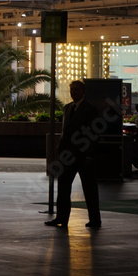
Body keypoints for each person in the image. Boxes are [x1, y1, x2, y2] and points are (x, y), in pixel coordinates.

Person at [45, 80, 102, 229]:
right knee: (63, 187)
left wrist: (90, 155)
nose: (73, 92)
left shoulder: (90, 109)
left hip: (83, 156)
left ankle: (95, 219)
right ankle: (61, 218)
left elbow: (94, 133)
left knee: (89, 188)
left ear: (83, 91)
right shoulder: (67, 108)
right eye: (72, 90)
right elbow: (65, 131)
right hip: (67, 156)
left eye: (76, 90)